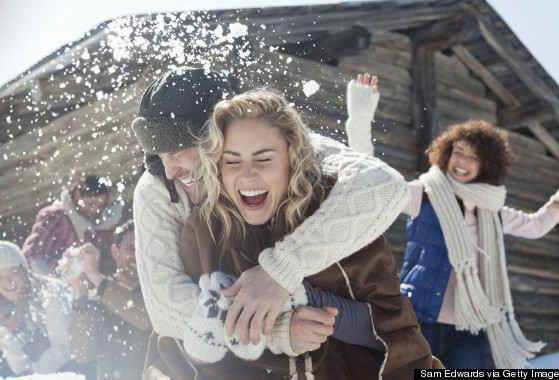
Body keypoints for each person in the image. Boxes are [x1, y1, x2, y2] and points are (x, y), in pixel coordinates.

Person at [131, 66, 410, 353]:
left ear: (217, 137)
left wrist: (279, 270)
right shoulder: (156, 191)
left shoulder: (282, 147)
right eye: (159, 156)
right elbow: (165, 307)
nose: (169, 170)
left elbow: (386, 186)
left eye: (178, 153)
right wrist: (271, 329)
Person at [176, 87, 431, 379]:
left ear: (292, 158)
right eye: (232, 160)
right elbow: (182, 353)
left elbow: (395, 331)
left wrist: (296, 293)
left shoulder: (337, 213)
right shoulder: (205, 230)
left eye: (263, 159)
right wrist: (271, 333)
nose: (247, 175)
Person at [345, 78, 559, 369]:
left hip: (470, 327)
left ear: (486, 165)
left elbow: (539, 224)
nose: (461, 161)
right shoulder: (423, 196)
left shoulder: (493, 212)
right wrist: (360, 121)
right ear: (446, 152)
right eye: (458, 152)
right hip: (418, 319)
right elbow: (375, 183)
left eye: (473, 157)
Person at [60, 219, 152, 380]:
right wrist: (79, 291)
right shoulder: (97, 296)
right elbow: (83, 354)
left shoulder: (155, 291)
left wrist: (95, 276)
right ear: (116, 251)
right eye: (130, 247)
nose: (137, 254)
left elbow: (146, 319)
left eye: (143, 248)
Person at [0, 241, 79, 376]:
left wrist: (32, 374)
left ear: (24, 269)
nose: (8, 282)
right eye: (0, 277)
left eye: (13, 273)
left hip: (73, 368)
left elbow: (66, 348)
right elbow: (17, 361)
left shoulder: (51, 293)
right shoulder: (4, 307)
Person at [21, 174, 123, 277]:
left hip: (86, 287)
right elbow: (31, 252)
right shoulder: (55, 216)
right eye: (91, 204)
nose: (96, 210)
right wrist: (50, 283)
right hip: (52, 281)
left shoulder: (102, 223)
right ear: (77, 195)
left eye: (100, 206)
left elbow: (126, 234)